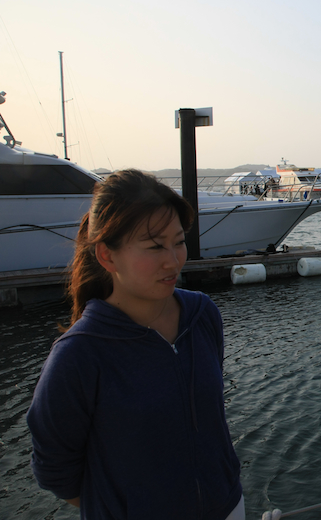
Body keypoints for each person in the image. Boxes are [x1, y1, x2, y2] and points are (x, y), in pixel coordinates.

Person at [26, 169, 244, 520]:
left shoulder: (202, 315)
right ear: (107, 256)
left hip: (228, 508)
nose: (173, 260)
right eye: (155, 246)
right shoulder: (79, 355)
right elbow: (55, 470)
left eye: (179, 242)